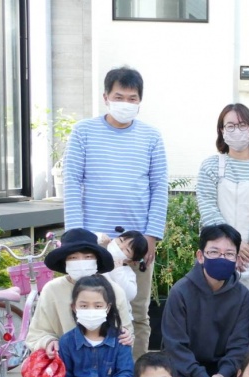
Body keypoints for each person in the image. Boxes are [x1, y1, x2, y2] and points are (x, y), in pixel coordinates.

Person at [64, 66, 168, 361]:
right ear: (106, 97)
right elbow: (72, 182)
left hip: (135, 245)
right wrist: (76, 238)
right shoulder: (83, 132)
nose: (125, 103)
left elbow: (159, 187)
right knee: (87, 311)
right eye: (119, 96)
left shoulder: (151, 137)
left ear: (140, 101)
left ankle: (137, 376)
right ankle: (87, 374)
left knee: (137, 313)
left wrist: (151, 236)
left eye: (132, 98)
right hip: (92, 243)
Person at [24, 229, 134, 377]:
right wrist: (49, 342)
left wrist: (126, 335)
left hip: (103, 368)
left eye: (87, 256)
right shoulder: (52, 290)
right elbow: (36, 333)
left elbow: (125, 330)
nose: (80, 262)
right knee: (34, 368)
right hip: (65, 362)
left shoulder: (113, 290)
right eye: (73, 258)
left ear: (96, 259)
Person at [161, 224, 249, 377]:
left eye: (229, 254)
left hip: (223, 367)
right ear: (201, 256)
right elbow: (175, 346)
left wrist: (223, 374)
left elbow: (240, 344)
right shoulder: (180, 292)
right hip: (185, 366)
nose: (222, 258)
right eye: (214, 252)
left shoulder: (243, 296)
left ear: (237, 259)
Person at [197, 103, 249, 306]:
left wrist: (247, 248)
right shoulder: (210, 166)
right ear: (221, 131)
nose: (237, 130)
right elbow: (208, 207)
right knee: (215, 311)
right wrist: (232, 246)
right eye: (230, 126)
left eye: (242, 125)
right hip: (218, 250)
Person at [96, 226, 149, 303]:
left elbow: (130, 295)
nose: (120, 246)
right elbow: (83, 243)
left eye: (127, 250)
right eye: (120, 240)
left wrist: (118, 271)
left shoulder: (126, 273)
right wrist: (98, 238)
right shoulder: (98, 254)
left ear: (131, 261)